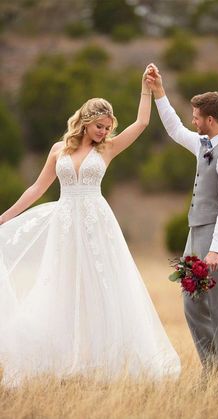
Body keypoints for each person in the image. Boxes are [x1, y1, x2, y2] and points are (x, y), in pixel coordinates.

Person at [0, 64, 180, 386]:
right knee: (64, 288)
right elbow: (37, 188)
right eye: (99, 126)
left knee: (102, 288)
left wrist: (147, 89)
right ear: (85, 122)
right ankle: (68, 361)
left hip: (97, 225)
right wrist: (5, 216)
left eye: (108, 127)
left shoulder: (108, 149)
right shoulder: (59, 150)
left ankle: (104, 364)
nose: (103, 132)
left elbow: (140, 123)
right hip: (66, 226)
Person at [147, 65, 218, 371]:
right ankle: (213, 370)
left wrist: (215, 248)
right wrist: (159, 91)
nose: (193, 121)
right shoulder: (202, 144)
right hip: (194, 233)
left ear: (209, 120)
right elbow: (174, 129)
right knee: (192, 303)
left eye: (196, 117)